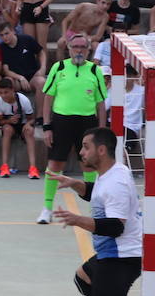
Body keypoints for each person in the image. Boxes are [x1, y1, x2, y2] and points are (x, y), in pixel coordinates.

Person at [49, 127, 144, 296]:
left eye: (86, 147)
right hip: (113, 254)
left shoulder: (114, 183)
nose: (81, 152)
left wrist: (77, 219)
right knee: (83, 277)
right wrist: (76, 184)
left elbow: (114, 226)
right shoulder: (112, 173)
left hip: (121, 257)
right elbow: (97, 195)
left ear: (101, 150)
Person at [38, 35, 107, 224]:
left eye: (82, 47)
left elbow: (100, 103)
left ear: (88, 50)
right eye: (75, 47)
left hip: (87, 123)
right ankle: (47, 208)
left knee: (89, 165)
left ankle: (95, 207)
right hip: (61, 121)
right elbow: (48, 98)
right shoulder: (59, 68)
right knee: (55, 165)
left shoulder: (95, 70)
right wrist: (47, 126)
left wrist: (101, 130)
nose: (79, 50)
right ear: (68, 48)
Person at [0, 76, 38, 178]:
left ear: (13, 90)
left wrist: (28, 124)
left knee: (29, 131)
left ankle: (33, 168)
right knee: (7, 129)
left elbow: (32, 118)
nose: (3, 95)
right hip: (9, 126)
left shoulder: (23, 100)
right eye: (1, 92)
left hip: (22, 125)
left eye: (6, 92)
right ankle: (4, 166)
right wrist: (9, 120)